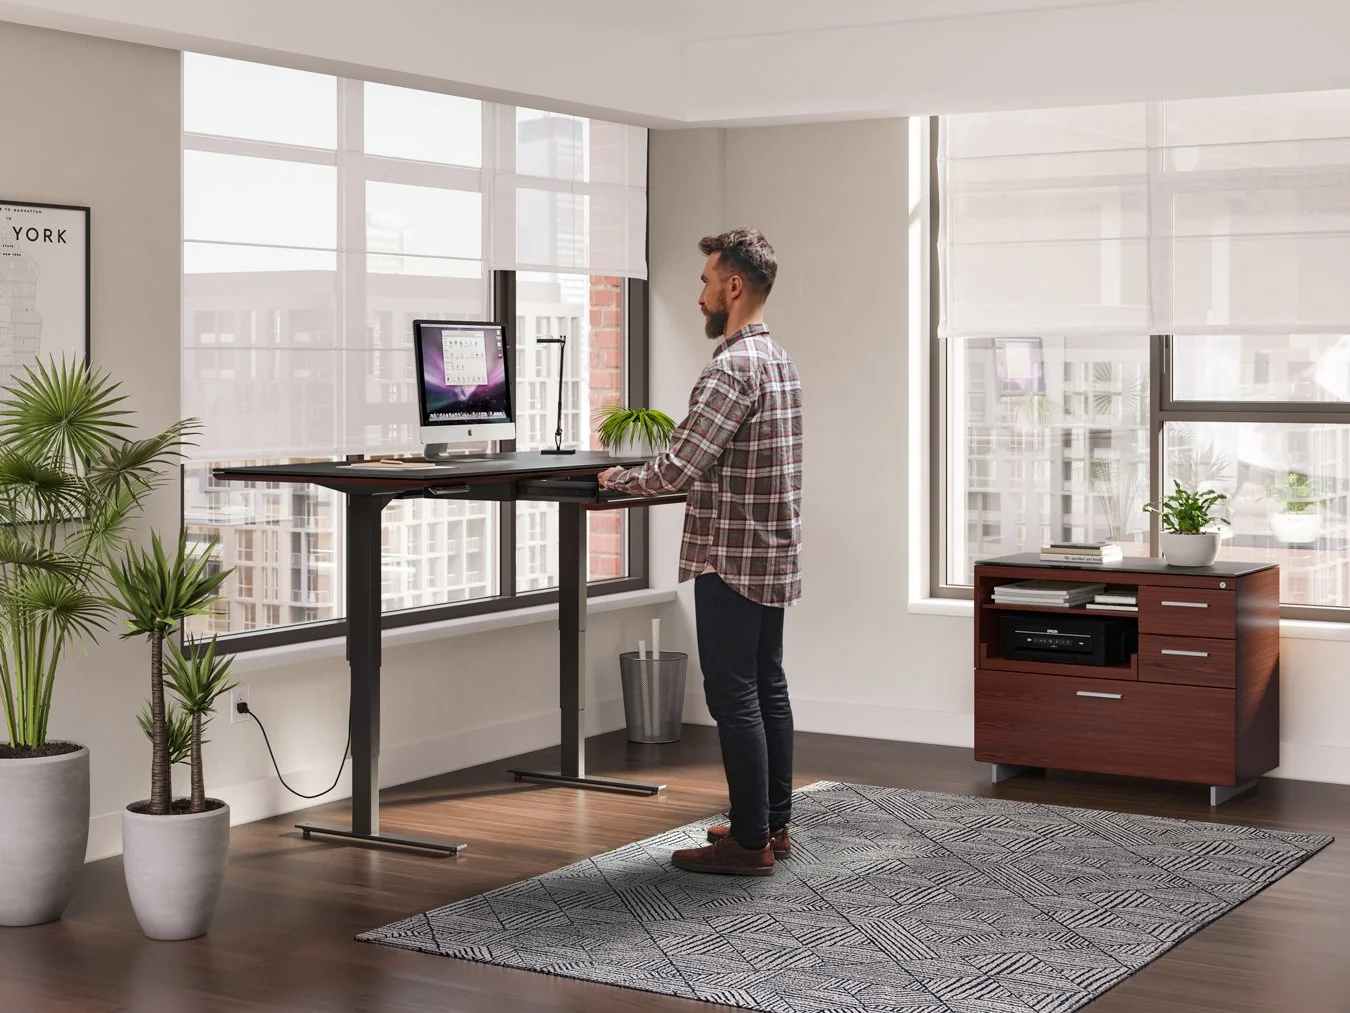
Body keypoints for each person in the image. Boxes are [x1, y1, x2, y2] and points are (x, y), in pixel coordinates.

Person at [599, 227, 802, 877]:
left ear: (733, 285)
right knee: (767, 685)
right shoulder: (779, 361)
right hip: (771, 547)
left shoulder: (732, 369)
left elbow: (681, 465)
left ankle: (748, 847)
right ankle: (770, 824)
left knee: (734, 694)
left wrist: (615, 481)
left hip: (731, 554)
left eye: (706, 280)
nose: (700, 296)